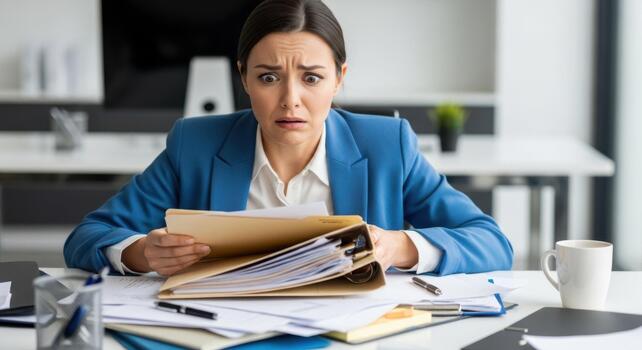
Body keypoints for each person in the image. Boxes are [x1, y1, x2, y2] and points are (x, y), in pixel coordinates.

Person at [64, 0, 513, 277]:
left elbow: (491, 241)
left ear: (339, 80)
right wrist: (142, 253)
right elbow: (87, 236)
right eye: (269, 77)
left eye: (312, 78)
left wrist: (400, 245)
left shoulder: (387, 144)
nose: (290, 100)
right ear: (243, 78)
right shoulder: (195, 144)